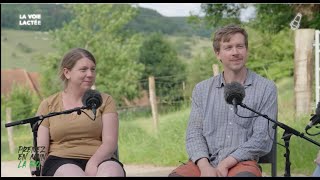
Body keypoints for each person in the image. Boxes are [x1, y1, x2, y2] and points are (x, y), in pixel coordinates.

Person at [168, 24, 278, 177]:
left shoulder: (266, 88)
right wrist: (205, 166)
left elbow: (262, 138)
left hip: (242, 163)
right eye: (228, 47)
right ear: (218, 54)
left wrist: (226, 163)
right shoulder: (202, 89)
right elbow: (194, 133)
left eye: (240, 46)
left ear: (247, 50)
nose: (235, 52)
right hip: (204, 163)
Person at [35, 48, 125, 176]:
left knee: (111, 172)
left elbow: (110, 142)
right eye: (83, 70)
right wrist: (35, 169)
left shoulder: (106, 100)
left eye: (93, 69)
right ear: (67, 73)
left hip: (100, 159)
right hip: (60, 161)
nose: (90, 74)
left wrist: (93, 164)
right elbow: (40, 148)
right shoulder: (48, 104)